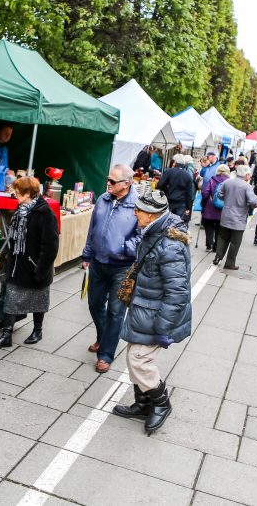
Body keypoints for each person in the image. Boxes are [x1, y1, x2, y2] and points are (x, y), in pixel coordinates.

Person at [112, 190, 191, 435]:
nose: (135, 213)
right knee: (133, 357)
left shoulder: (170, 245)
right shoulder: (154, 232)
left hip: (156, 315)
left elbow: (177, 292)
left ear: (152, 214)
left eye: (139, 210)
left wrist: (162, 326)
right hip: (145, 308)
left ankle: (161, 403)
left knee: (139, 359)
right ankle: (143, 404)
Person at [82, 164, 141, 374]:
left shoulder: (138, 205)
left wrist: (123, 247)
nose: (108, 183)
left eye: (113, 181)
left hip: (123, 267)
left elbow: (142, 236)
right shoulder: (102, 199)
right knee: (95, 304)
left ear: (126, 184)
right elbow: (93, 229)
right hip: (98, 263)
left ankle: (105, 354)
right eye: (108, 179)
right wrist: (87, 254)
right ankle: (103, 336)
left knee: (116, 312)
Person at [0, 177, 59, 349]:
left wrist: (40, 269)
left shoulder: (45, 214)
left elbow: (51, 246)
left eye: (18, 192)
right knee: (11, 298)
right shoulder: (21, 210)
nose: (14, 194)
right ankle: (6, 334)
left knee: (38, 300)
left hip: (35, 267)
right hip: (18, 265)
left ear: (28, 194)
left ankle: (37, 330)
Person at [214, 164, 257, 270]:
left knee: (222, 238)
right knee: (235, 242)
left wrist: (228, 199)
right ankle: (230, 263)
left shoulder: (228, 182)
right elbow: (253, 201)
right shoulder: (246, 186)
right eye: (249, 174)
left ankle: (218, 257)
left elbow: (220, 195)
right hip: (238, 218)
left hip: (226, 215)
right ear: (246, 175)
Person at [200, 164, 230, 253]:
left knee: (208, 226)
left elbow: (205, 193)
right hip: (223, 210)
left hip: (210, 207)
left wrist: (204, 202)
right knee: (219, 229)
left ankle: (209, 245)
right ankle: (216, 247)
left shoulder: (212, 180)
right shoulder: (229, 182)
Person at [157, 154, 194, 224]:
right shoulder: (188, 175)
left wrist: (165, 190)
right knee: (177, 223)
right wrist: (188, 208)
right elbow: (189, 194)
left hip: (169, 201)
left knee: (165, 221)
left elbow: (159, 185)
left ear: (175, 162)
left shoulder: (169, 171)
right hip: (181, 203)